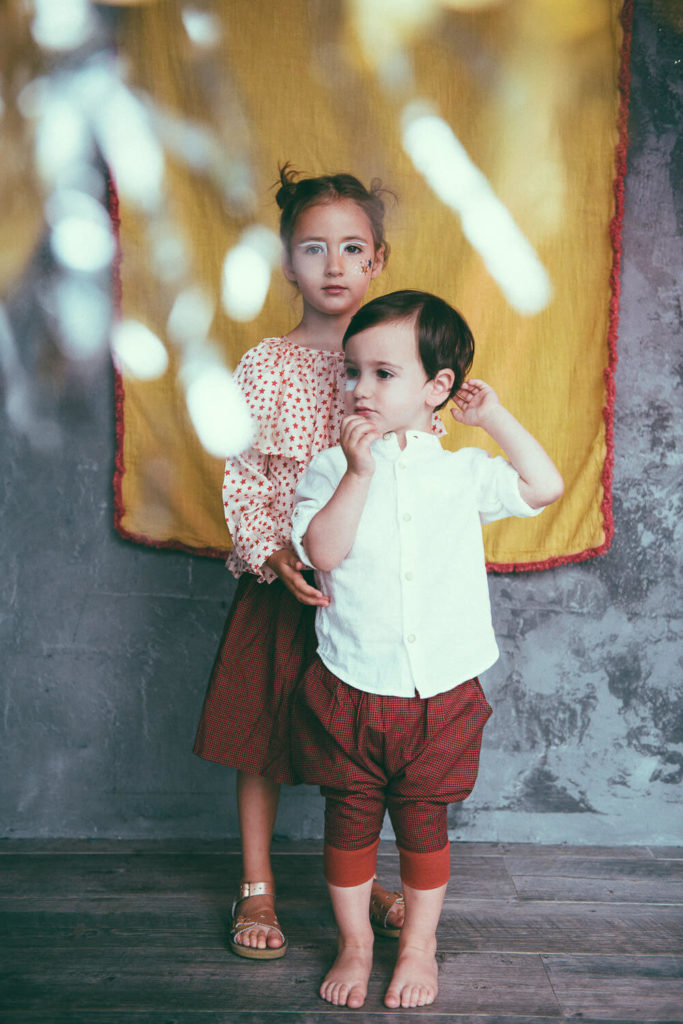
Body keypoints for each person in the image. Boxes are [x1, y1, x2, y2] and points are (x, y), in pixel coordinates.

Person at [290, 289, 564, 1008]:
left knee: (423, 823)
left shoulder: (461, 471)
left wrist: (493, 417)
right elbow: (322, 550)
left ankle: (418, 943)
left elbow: (544, 485)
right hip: (351, 683)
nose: (360, 389)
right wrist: (356, 473)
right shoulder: (329, 467)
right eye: (353, 372)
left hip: (441, 688)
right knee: (347, 821)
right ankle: (353, 943)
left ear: (437, 388)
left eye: (384, 373)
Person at [193, 166, 414, 959]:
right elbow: (244, 472)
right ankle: (256, 885)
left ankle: (359, 879)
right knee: (260, 734)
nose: (332, 264)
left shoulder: (397, 362)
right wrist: (272, 553)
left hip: (364, 586)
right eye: (312, 248)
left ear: (376, 261)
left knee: (354, 745)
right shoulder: (264, 365)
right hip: (284, 580)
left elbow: (420, 462)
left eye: (350, 248)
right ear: (286, 262)